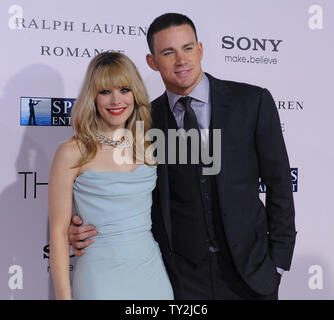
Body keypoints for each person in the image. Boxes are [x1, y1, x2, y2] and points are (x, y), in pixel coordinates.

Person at [69, 13, 296, 299]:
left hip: (251, 272)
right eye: (168, 52)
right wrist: (84, 224)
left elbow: (280, 185)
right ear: (152, 62)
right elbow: (124, 188)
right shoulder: (143, 122)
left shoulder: (251, 102)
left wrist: (278, 263)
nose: (181, 61)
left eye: (188, 48)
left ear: (200, 50)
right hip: (181, 279)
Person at [48, 51, 174, 300]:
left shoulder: (151, 145)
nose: (116, 100)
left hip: (151, 275)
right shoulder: (72, 152)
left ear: (135, 93)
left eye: (124, 90)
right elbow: (59, 233)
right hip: (98, 277)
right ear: (92, 97)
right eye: (105, 91)